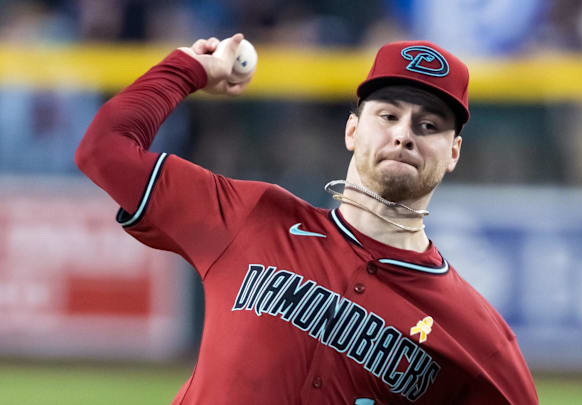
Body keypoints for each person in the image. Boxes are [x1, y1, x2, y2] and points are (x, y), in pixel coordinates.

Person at [75, 33, 538, 405]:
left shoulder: (478, 338)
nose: (403, 135)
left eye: (428, 126)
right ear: (352, 130)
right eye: (388, 115)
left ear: (453, 152)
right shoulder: (252, 217)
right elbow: (104, 149)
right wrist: (188, 69)